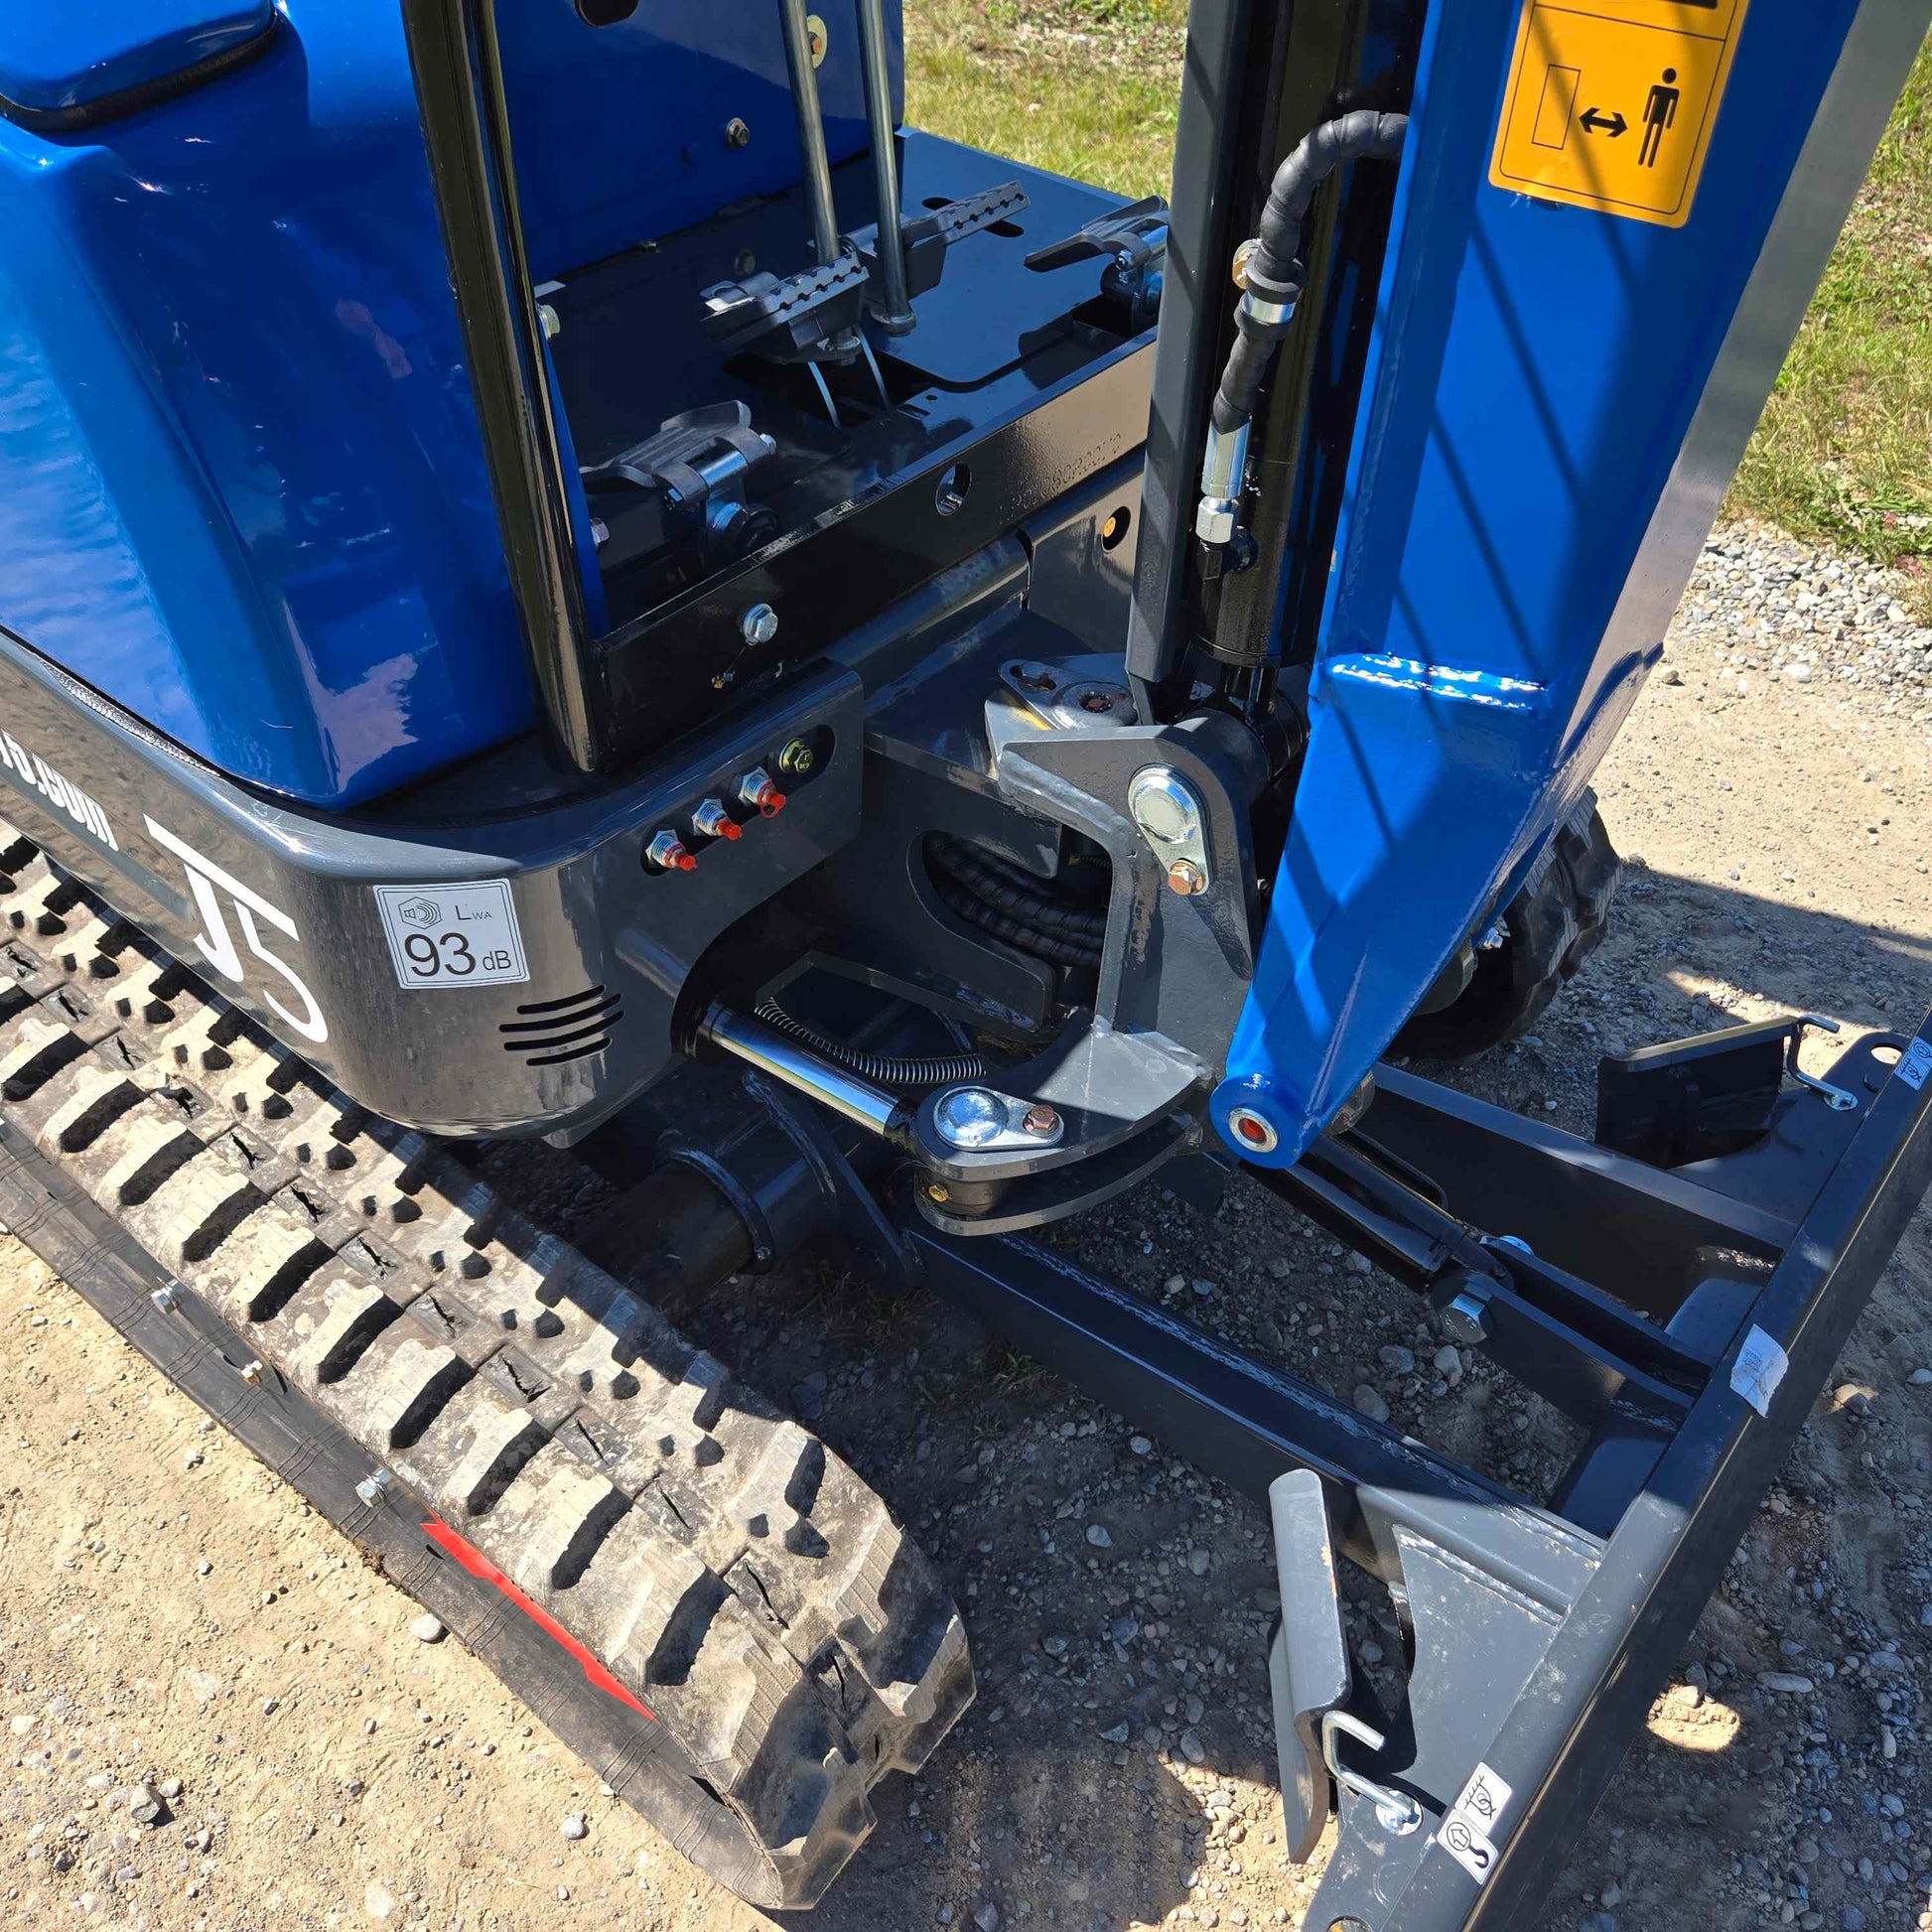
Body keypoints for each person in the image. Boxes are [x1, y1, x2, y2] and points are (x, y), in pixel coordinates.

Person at [1640, 68, 1680, 167]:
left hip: (1659, 116)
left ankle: (1649, 161)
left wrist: (1669, 122)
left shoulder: (1673, 92)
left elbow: (1672, 107)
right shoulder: (1657, 88)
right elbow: (1650, 101)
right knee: (1649, 136)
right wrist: (1645, 116)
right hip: (1654, 114)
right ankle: (1642, 159)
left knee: (1655, 137)